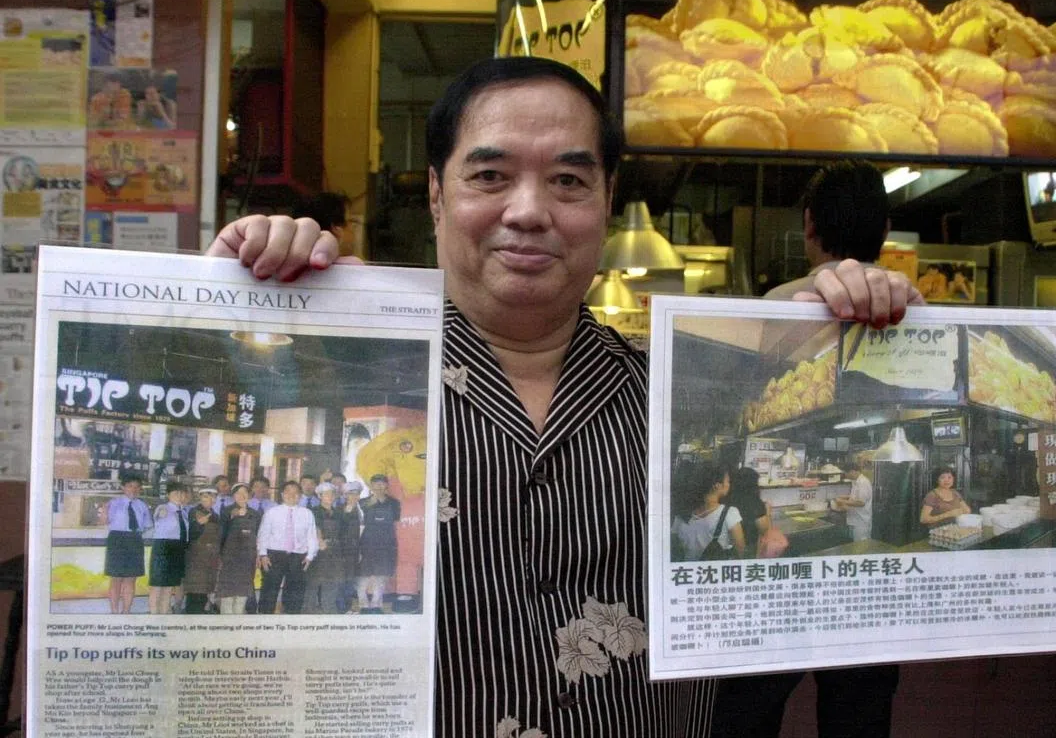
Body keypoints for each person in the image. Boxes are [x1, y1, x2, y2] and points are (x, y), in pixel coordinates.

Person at [207, 57, 915, 737]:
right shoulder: (352, 366)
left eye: (568, 181)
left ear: (607, 199)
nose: (528, 211)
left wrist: (869, 322)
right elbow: (232, 388)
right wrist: (219, 300)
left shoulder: (681, 396)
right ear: (437, 194)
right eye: (490, 175)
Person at [713, 159, 917, 738]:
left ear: (808, 225)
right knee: (861, 713)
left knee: (749, 708)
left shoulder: (774, 308)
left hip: (774, 602)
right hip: (867, 599)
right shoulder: (913, 311)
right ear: (886, 230)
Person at [256, 480, 318, 614]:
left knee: (295, 590)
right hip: (274, 555)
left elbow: (312, 536)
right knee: (270, 588)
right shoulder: (272, 512)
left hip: (298, 556)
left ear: (300, 496)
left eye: (296, 493)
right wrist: (263, 554)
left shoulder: (307, 513)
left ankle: (291, 618)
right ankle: (264, 618)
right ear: (282, 494)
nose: (292, 495)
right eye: (288, 492)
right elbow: (263, 534)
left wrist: (310, 556)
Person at [671, 461, 746, 561]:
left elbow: (674, 549)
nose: (729, 485)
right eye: (727, 481)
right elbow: (741, 552)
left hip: (688, 568)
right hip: (714, 569)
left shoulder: (682, 515)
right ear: (717, 485)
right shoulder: (729, 513)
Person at [104, 474, 153, 614]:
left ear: (140, 489)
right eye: (130, 486)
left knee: (131, 579)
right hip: (117, 539)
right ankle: (114, 612)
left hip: (135, 540)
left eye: (137, 487)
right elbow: (104, 521)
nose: (133, 489)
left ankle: (126, 611)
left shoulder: (142, 505)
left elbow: (147, 525)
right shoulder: (114, 503)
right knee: (116, 579)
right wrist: (104, 510)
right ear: (123, 488)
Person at [356, 474, 399, 613]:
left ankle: (376, 604)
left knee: (381, 574)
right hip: (367, 542)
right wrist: (374, 500)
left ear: (386, 485)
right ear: (371, 486)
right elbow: (362, 518)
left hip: (386, 542)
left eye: (382, 483)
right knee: (364, 574)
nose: (379, 486)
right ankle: (362, 604)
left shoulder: (394, 503)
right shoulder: (363, 502)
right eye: (376, 484)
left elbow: (396, 521)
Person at [215, 483, 261, 614]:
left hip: (248, 558)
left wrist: (258, 555)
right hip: (229, 558)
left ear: (249, 495)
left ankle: (238, 619)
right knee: (227, 592)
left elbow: (259, 536)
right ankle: (226, 620)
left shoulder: (255, 514)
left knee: (243, 593)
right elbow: (221, 535)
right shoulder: (226, 511)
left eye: (245, 492)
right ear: (233, 496)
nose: (242, 496)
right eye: (238, 493)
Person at [148, 483, 190, 615]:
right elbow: (159, 515)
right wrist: (161, 513)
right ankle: (154, 616)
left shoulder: (183, 512)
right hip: (162, 548)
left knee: (168, 587)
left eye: (182, 493)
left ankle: (164, 615)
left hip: (177, 549)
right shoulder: (163, 508)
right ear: (168, 495)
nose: (179, 496)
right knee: (157, 586)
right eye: (176, 493)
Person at [303, 482, 345, 614]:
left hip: (335, 550)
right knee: (314, 582)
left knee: (332, 581)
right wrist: (320, 541)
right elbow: (315, 528)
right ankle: (308, 610)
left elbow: (342, 532)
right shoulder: (313, 511)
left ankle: (329, 609)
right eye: (326, 494)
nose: (330, 496)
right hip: (319, 551)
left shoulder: (339, 512)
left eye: (332, 494)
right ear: (319, 496)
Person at [183, 487, 222, 614]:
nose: (210, 500)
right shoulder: (193, 512)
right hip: (196, 559)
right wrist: (198, 524)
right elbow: (189, 535)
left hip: (211, 559)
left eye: (213, 497)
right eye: (206, 496)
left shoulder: (216, 516)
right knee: (195, 593)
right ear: (200, 498)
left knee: (205, 592)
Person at [337, 480, 364, 613]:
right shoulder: (340, 510)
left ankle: (348, 606)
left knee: (352, 579)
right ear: (345, 495)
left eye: (356, 493)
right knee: (343, 579)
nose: (353, 496)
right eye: (350, 494)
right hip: (345, 550)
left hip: (359, 549)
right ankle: (342, 607)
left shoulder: (362, 508)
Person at [833, 458, 874, 542]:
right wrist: (845, 497)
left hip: (861, 523)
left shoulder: (863, 482)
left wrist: (842, 501)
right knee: (854, 546)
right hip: (854, 520)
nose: (845, 475)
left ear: (852, 471)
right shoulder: (855, 482)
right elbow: (857, 496)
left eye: (846, 473)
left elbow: (861, 503)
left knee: (861, 546)